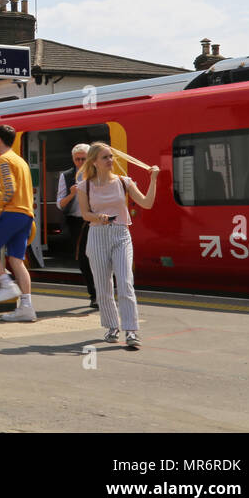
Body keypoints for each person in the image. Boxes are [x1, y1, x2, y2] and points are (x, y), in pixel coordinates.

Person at [76, 142, 159, 349]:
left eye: (111, 156)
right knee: (103, 287)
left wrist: (153, 179)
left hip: (121, 234)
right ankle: (112, 327)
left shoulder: (124, 182)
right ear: (94, 161)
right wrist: (98, 217)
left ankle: (131, 330)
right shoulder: (84, 186)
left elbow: (146, 203)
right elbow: (85, 214)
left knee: (125, 282)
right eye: (105, 157)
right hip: (97, 235)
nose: (110, 160)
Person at [0, 123, 37, 322]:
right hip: (26, 215)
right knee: (17, 261)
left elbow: (9, 190)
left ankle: (6, 283)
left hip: (12, 213)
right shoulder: (21, 161)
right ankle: (26, 307)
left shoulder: (4, 159)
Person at [56, 143, 96, 308]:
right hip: (77, 223)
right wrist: (72, 193)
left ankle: (104, 292)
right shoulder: (66, 176)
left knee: (98, 257)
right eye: (77, 159)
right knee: (84, 259)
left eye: (83, 159)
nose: (80, 162)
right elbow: (60, 204)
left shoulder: (98, 173)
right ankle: (94, 295)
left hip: (95, 220)